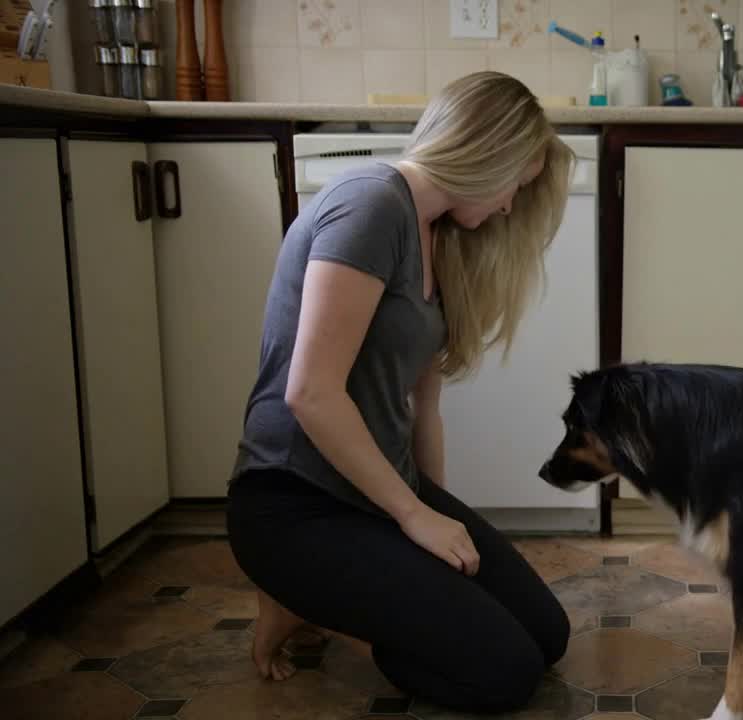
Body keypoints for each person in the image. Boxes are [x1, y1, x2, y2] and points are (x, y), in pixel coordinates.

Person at [225, 71, 576, 714]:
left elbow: (426, 406)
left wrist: (434, 510)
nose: (506, 208)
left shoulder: (439, 235)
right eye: (512, 188)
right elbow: (311, 392)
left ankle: (335, 600)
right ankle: (301, 602)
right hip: (292, 503)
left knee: (547, 635)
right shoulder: (371, 204)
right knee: (505, 674)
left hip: (372, 495)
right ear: (484, 155)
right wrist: (414, 519)